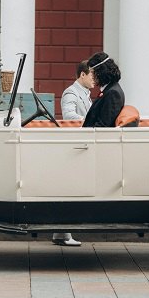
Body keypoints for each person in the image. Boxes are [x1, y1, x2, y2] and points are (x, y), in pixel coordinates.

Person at [51, 60, 94, 247]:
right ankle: (63, 234)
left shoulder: (85, 93)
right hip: (74, 147)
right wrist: (92, 120)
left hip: (80, 146)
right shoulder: (71, 92)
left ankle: (61, 233)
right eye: (93, 75)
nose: (95, 79)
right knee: (69, 189)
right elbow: (69, 117)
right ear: (82, 75)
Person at [82, 52, 124, 128]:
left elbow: (103, 125)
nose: (91, 76)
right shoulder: (110, 90)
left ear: (100, 72)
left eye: (92, 72)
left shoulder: (113, 93)